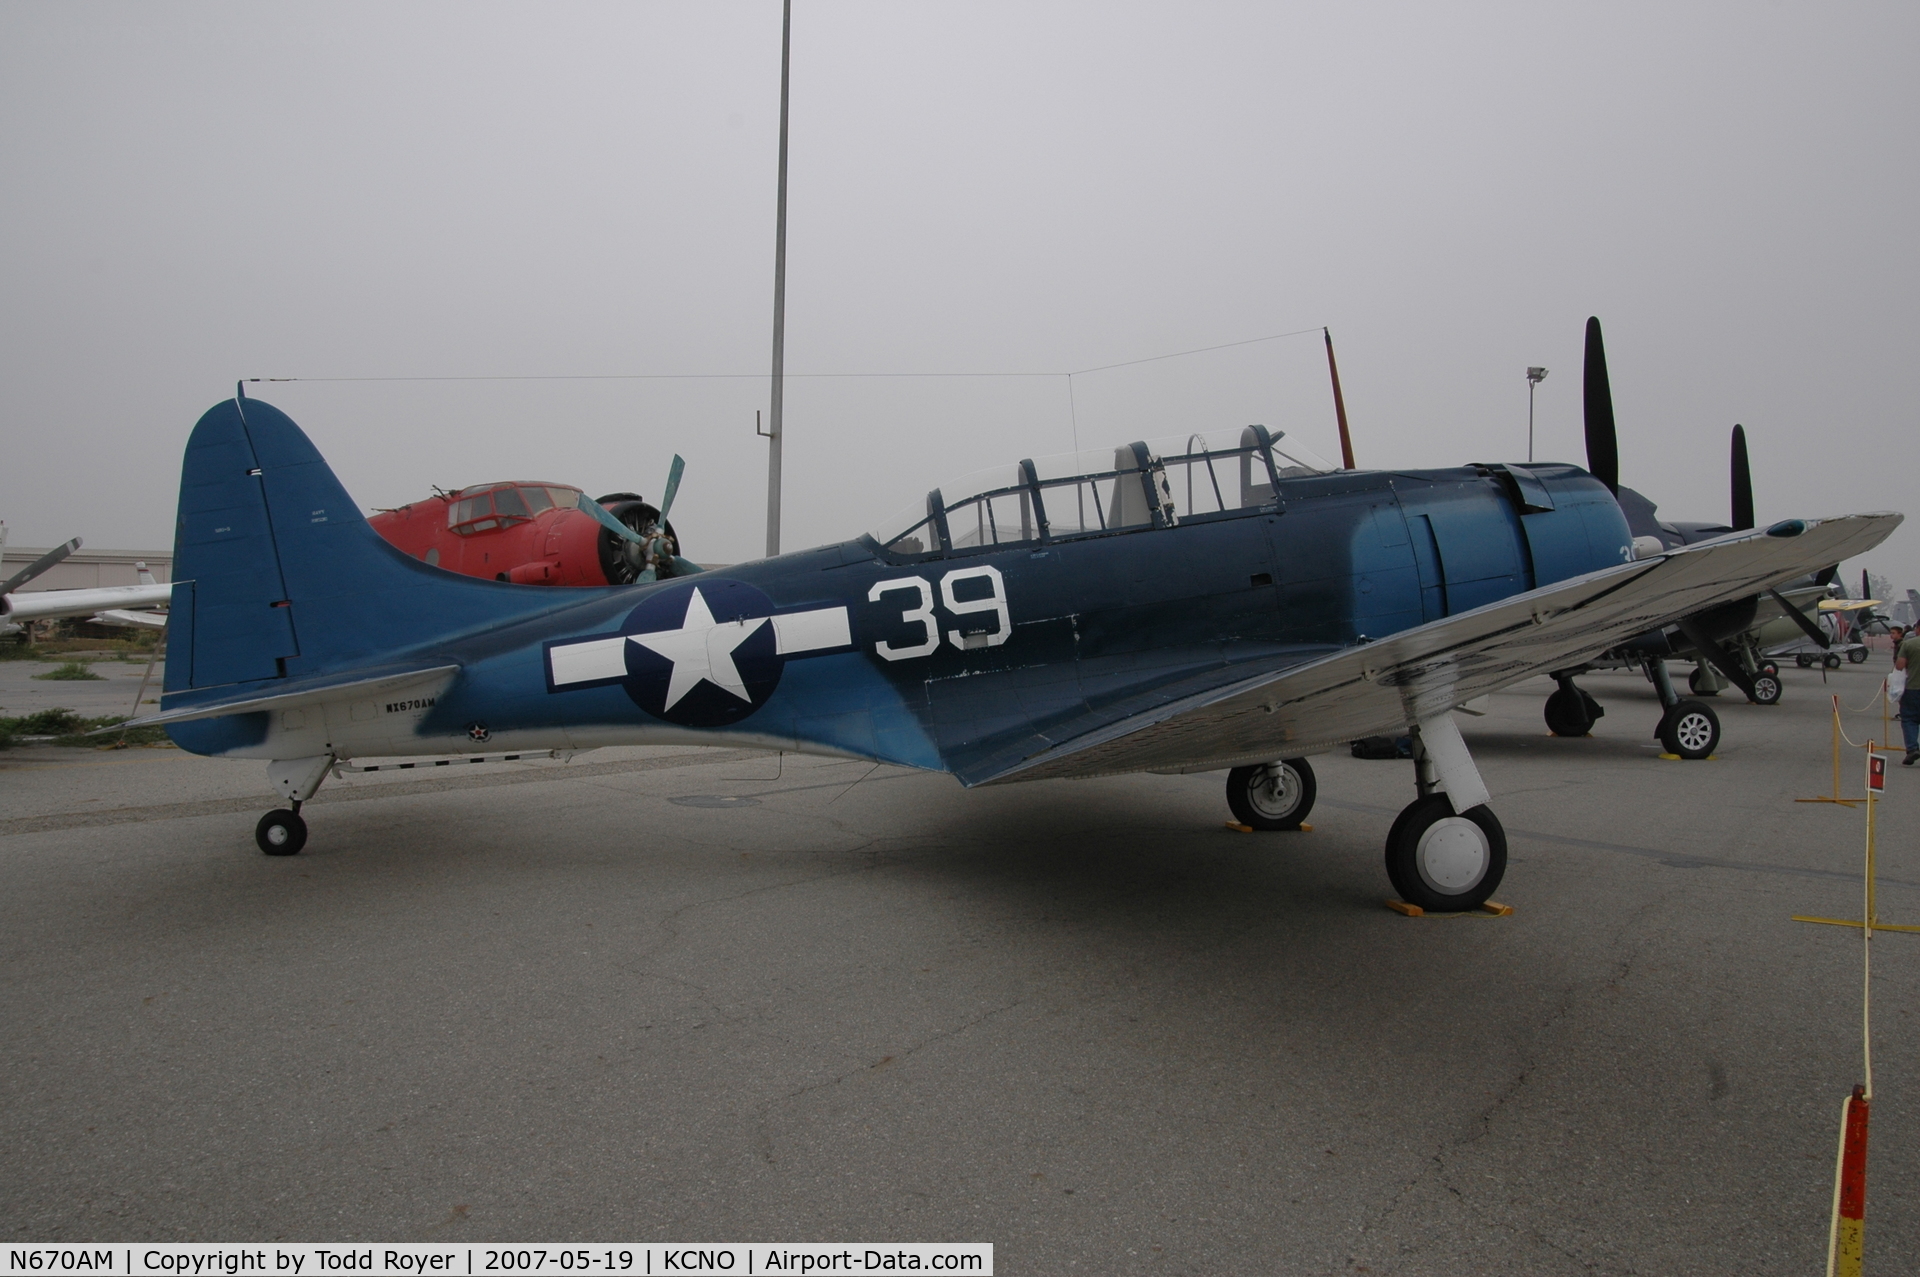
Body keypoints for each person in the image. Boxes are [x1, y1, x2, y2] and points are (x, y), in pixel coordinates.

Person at [1897, 627, 1920, 763]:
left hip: (1912, 688)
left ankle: (1912, 749)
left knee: (1909, 719)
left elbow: (1900, 665)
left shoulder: (1909, 644)